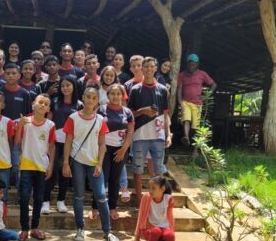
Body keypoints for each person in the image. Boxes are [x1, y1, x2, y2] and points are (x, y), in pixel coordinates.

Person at [62, 86, 122, 241]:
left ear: (97, 101)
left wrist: (100, 164)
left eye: (94, 98)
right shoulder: (73, 118)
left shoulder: (100, 120)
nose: (90, 100)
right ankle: (80, 229)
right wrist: (66, 163)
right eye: (88, 97)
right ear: (83, 97)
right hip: (78, 162)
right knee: (79, 196)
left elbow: (102, 144)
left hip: (94, 163)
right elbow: (68, 141)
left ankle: (107, 232)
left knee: (101, 196)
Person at [128, 57, 172, 204]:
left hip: (158, 135)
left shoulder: (162, 89)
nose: (148, 69)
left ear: (155, 68)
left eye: (151, 66)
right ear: (142, 68)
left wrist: (168, 134)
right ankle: (141, 201)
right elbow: (129, 114)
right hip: (140, 135)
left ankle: (158, 200)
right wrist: (142, 111)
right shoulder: (135, 89)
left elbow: (165, 114)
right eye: (145, 66)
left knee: (159, 169)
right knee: (138, 168)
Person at [15, 94, 56, 241]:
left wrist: (50, 165)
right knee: (24, 198)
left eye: (46, 104)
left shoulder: (50, 125)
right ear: (33, 104)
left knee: (39, 199)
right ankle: (24, 228)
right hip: (26, 165)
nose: (42, 105)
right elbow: (17, 142)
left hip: (41, 166)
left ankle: (35, 228)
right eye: (40, 102)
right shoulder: (26, 122)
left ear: (48, 109)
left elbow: (51, 146)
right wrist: (20, 126)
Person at [90, 84, 134, 220]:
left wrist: (123, 150)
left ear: (122, 95)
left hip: (120, 150)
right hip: (104, 149)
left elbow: (130, 133)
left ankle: (112, 208)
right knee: (101, 178)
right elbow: (95, 129)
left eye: (118, 94)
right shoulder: (101, 109)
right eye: (113, 94)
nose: (115, 96)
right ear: (108, 95)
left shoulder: (128, 112)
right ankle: (95, 207)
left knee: (115, 180)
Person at [41, 75, 83, 214]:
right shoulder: (54, 101)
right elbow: (49, 121)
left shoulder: (79, 105)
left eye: (68, 85)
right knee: (50, 170)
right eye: (63, 85)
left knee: (65, 171)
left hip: (70, 143)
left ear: (74, 86)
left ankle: (61, 201)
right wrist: (47, 141)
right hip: (54, 141)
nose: (65, 88)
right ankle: (45, 201)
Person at [0, 64, 33, 188]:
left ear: (19, 75)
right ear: (4, 75)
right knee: (2, 162)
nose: (11, 76)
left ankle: (21, 194)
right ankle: (2, 192)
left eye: (14, 73)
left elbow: (29, 116)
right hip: (1, 135)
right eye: (8, 73)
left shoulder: (25, 94)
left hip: (19, 136)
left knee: (17, 164)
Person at [135, 176, 178, 241]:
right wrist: (137, 235)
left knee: (170, 235)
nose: (150, 191)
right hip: (150, 230)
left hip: (164, 229)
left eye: (153, 188)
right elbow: (141, 216)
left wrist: (172, 232)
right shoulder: (146, 197)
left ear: (162, 189)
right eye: (149, 188)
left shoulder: (169, 198)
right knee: (155, 231)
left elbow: (170, 217)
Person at [177, 54, 216, 147]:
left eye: (193, 65)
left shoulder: (202, 74)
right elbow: (179, 88)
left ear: (197, 65)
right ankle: (186, 137)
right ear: (187, 64)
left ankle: (195, 148)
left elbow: (214, 84)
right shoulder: (182, 75)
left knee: (195, 126)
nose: (191, 67)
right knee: (186, 120)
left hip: (197, 103)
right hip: (185, 101)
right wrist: (179, 102)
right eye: (189, 64)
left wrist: (206, 96)